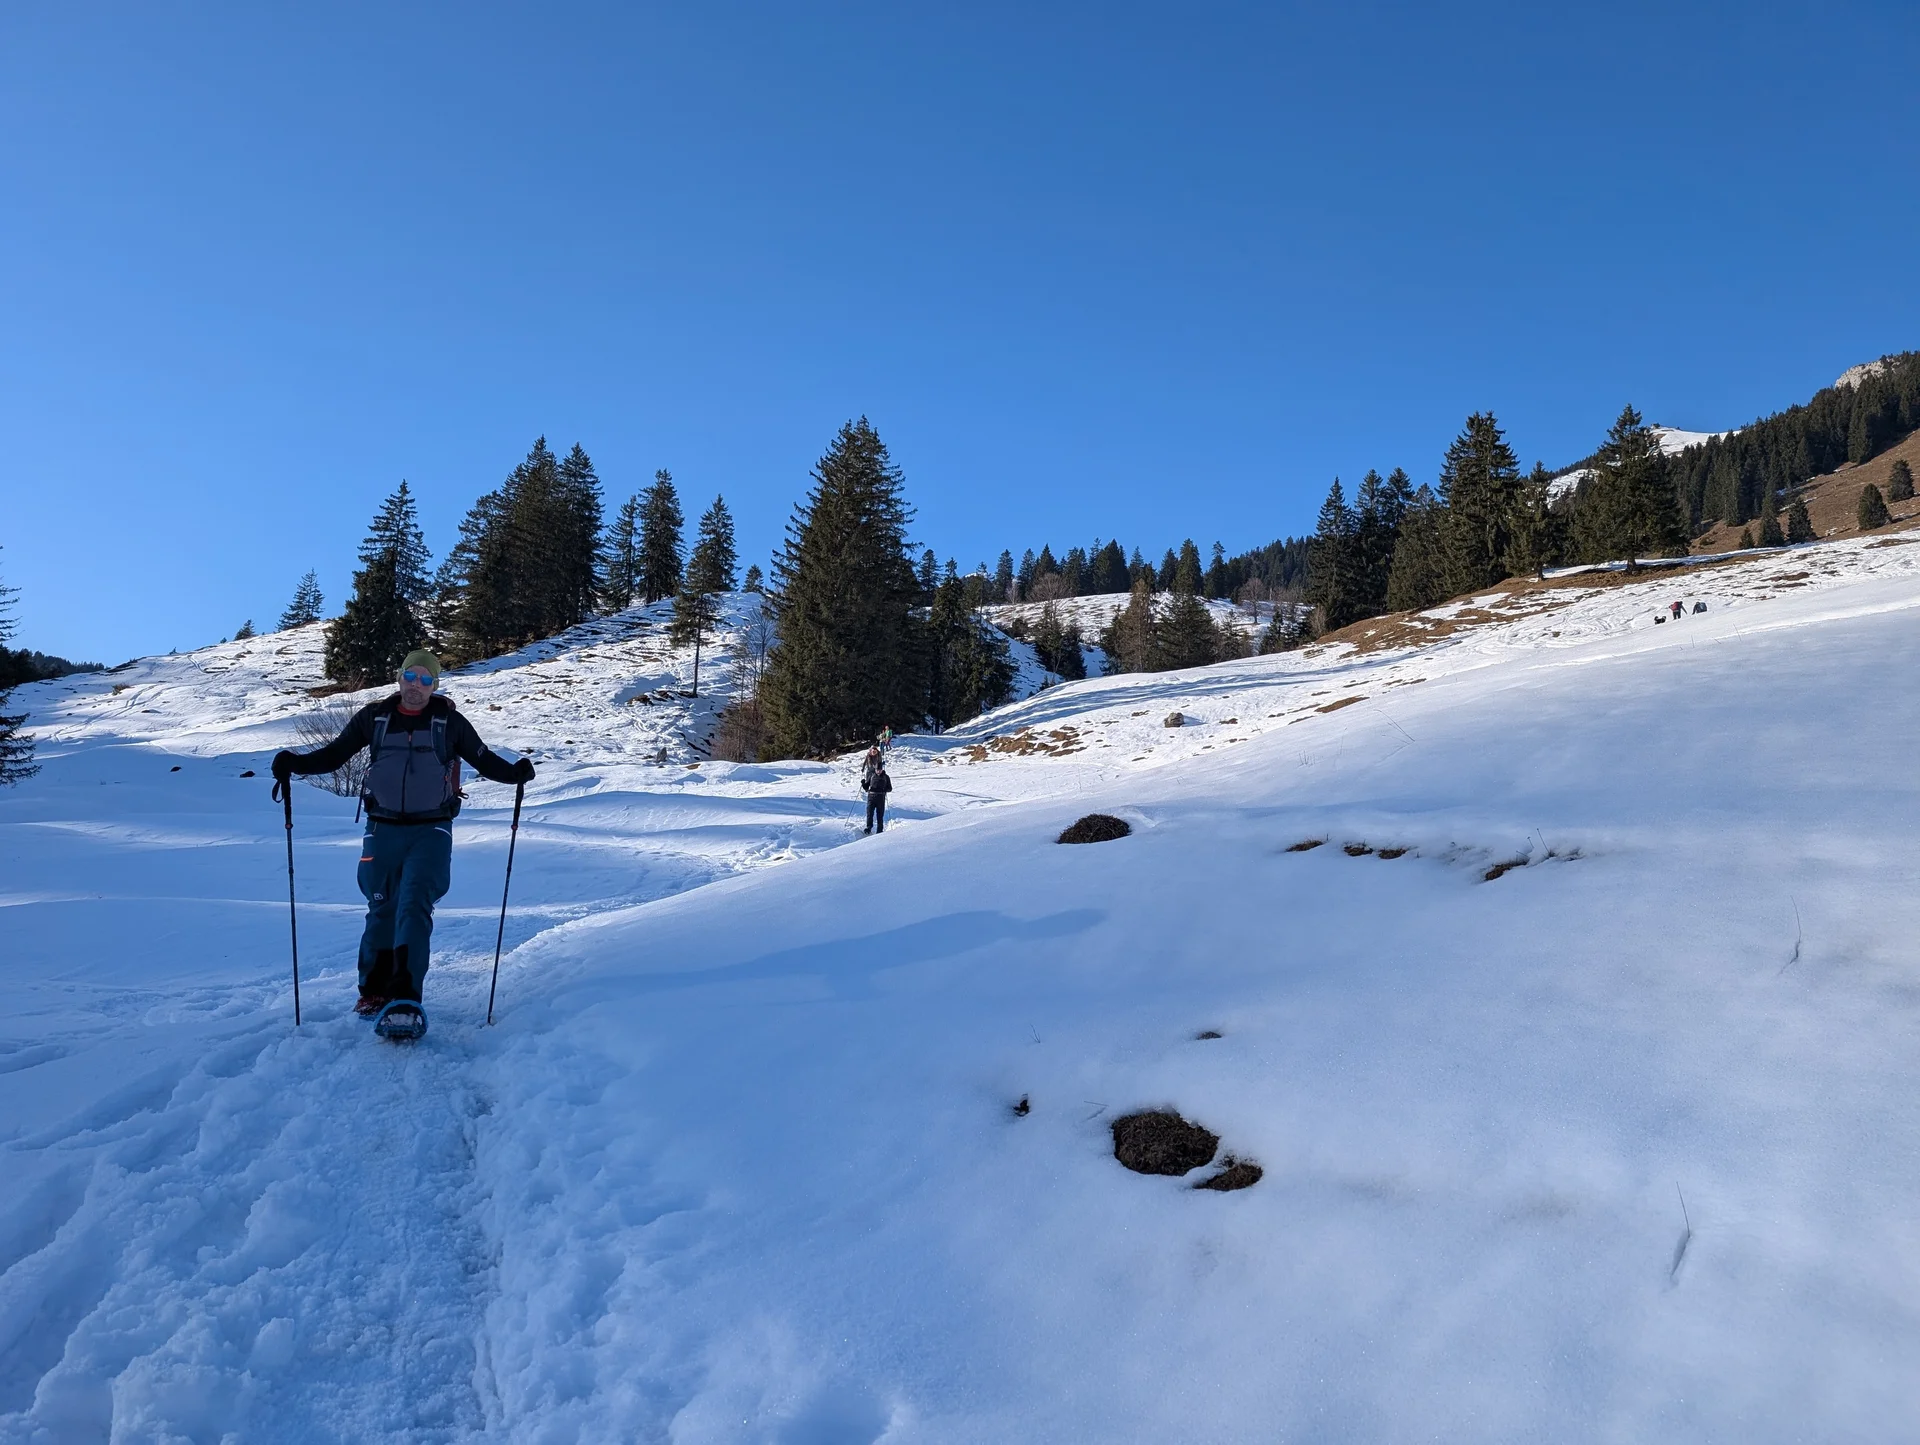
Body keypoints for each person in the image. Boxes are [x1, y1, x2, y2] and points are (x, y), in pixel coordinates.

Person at [272, 650, 534, 1016]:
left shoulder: (450, 722)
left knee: (413, 905)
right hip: (381, 827)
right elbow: (334, 755)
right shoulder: (374, 718)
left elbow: (483, 759)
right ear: (399, 678)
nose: (417, 686)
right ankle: (373, 991)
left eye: (426, 680)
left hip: (432, 829)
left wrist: (514, 773)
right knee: (381, 906)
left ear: (435, 686)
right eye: (411, 676)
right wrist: (294, 763)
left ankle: (405, 995)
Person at [862, 756, 893, 835]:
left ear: (882, 769)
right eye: (877, 770)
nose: (878, 771)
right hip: (871, 797)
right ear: (875, 770)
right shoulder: (871, 776)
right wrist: (863, 783)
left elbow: (890, 788)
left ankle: (880, 830)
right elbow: (866, 787)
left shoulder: (886, 777)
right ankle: (869, 827)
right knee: (869, 813)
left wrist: (884, 790)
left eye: (880, 770)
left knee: (880, 814)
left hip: (880, 798)